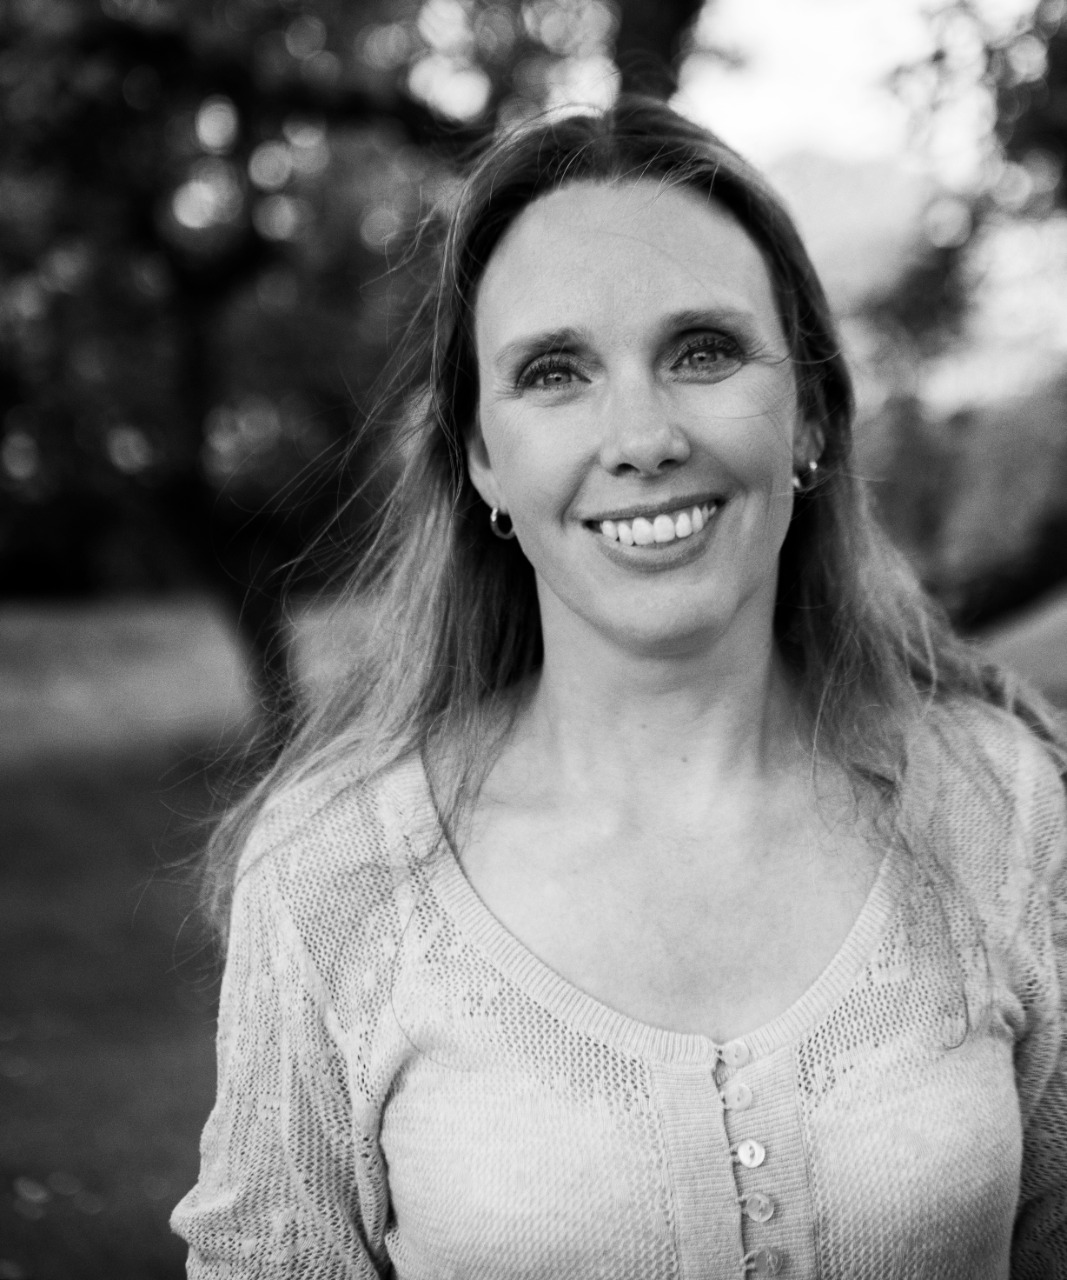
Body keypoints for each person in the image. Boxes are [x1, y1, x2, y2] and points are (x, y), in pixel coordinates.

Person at [173, 96, 1067, 1279]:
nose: (641, 435)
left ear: (806, 412)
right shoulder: (335, 874)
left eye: (701, 351)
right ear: (481, 458)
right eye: (555, 371)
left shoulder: (999, 808)